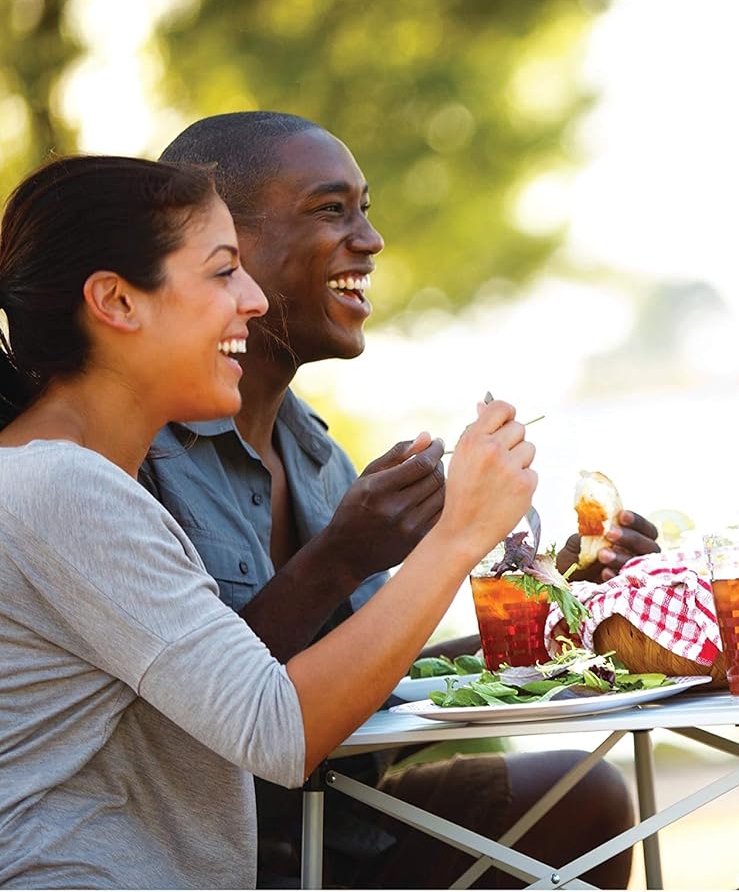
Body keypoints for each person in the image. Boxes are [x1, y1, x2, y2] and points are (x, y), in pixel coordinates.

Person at [0, 155, 537, 888]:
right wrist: (460, 534)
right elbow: (276, 727)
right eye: (223, 271)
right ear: (118, 302)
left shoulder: (68, 479)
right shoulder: (62, 486)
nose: (252, 300)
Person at [151, 112, 656, 888]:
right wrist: (342, 554)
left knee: (580, 796)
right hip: (206, 845)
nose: (371, 238)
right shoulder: (140, 457)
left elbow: (374, 676)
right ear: (228, 249)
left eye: (365, 207)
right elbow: (203, 716)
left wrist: (554, 604)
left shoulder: (317, 454)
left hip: (337, 823)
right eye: (331, 209)